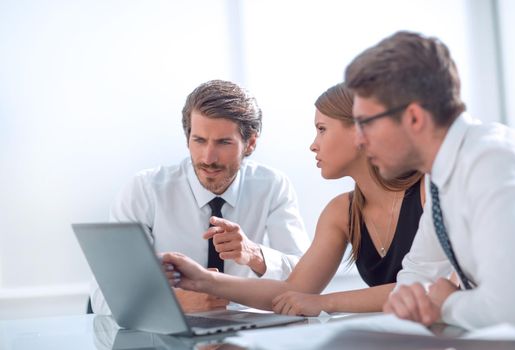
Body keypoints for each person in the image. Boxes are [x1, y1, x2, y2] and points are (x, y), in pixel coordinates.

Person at [162, 83, 425, 316]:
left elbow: (428, 285)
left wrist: (323, 303)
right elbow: (292, 290)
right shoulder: (341, 212)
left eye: (322, 129)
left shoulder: (428, 191)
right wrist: (202, 280)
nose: (313, 144)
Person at [345, 31, 515, 331]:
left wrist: (448, 304)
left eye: (365, 124)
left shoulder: (491, 162)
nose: (359, 141)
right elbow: (418, 271)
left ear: (414, 118)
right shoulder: (439, 177)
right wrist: (406, 301)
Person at [90, 79, 310, 314]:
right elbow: (103, 297)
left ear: (250, 143)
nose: (208, 158)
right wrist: (175, 305)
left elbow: (307, 281)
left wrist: (254, 254)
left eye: (223, 142)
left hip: (247, 335)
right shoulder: (145, 189)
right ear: (187, 138)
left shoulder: (272, 186)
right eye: (199, 140)